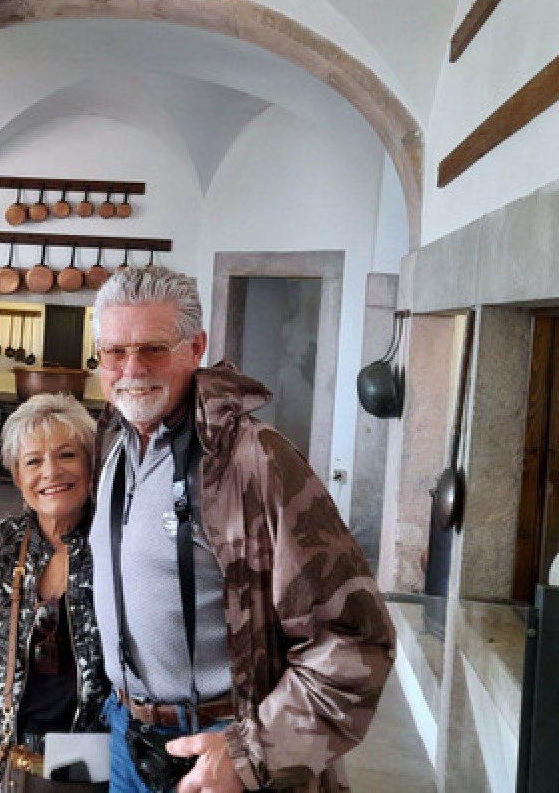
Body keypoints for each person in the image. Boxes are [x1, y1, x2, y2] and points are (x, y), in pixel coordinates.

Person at [87, 266, 395, 793]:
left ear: (196, 346)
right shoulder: (115, 444)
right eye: (114, 352)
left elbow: (356, 640)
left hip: (220, 746)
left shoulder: (254, 460)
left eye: (154, 349)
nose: (131, 369)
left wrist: (250, 754)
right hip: (127, 737)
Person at [0, 392, 111, 792]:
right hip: (4, 762)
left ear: (90, 464)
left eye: (67, 455)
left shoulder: (115, 545)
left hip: (94, 761)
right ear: (16, 476)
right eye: (33, 461)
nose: (51, 472)